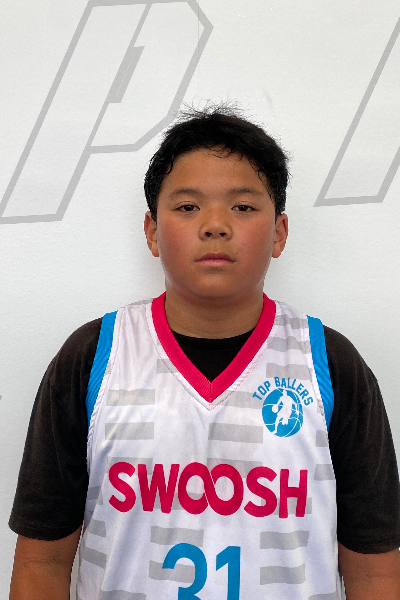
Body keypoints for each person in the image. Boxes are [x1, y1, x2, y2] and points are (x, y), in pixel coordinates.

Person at [9, 106, 400, 600]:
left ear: (279, 233)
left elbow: (374, 572)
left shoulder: (329, 363)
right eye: (188, 206)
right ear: (152, 231)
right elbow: (42, 560)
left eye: (243, 207)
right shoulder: (94, 358)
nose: (215, 225)